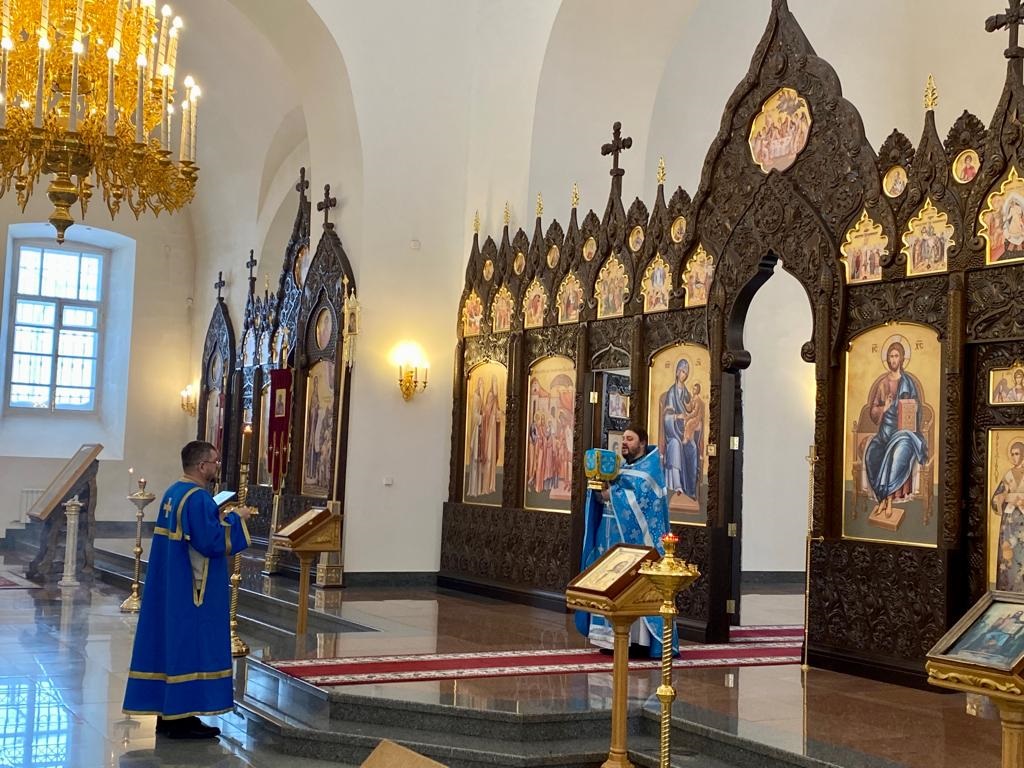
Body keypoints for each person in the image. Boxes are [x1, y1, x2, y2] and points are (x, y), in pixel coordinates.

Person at [123, 441, 252, 739]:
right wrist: (237, 519)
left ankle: (172, 715)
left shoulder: (174, 492)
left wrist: (217, 518)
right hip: (194, 591)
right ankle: (180, 718)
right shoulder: (198, 498)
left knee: (171, 644)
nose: (217, 466)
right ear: (201, 466)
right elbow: (211, 542)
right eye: (214, 462)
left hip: (172, 585)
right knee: (190, 647)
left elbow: (196, 532)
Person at [575, 425, 676, 658]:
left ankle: (638, 641)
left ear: (642, 443)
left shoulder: (649, 472)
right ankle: (607, 639)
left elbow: (642, 502)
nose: (624, 443)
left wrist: (613, 494)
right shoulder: (622, 469)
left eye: (630, 439)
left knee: (632, 585)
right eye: (623, 439)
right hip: (609, 540)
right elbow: (608, 496)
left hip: (637, 545)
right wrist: (598, 490)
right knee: (609, 583)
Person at [863, 340, 927, 520]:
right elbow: (873, 411)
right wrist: (884, 408)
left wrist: (911, 408)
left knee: (896, 454)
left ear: (902, 358)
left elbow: (917, 409)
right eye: (890, 356)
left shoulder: (908, 382)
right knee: (871, 453)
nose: (893, 359)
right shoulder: (883, 383)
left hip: (904, 431)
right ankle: (881, 498)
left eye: (896, 356)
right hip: (885, 431)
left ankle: (888, 500)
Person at [660, 359, 702, 503]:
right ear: (677, 371)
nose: (684, 374)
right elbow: (666, 417)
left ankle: (690, 489)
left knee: (693, 448)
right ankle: (677, 485)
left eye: (686, 372)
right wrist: (677, 416)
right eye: (682, 371)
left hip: (684, 431)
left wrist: (691, 421)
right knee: (676, 444)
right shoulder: (671, 393)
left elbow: (691, 410)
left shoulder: (687, 393)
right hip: (673, 432)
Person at [992, 441, 1024, 591]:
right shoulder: (1008, 475)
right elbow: (996, 498)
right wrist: (1000, 498)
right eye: (1012, 454)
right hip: (1009, 522)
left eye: (1017, 453)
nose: (1014, 457)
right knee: (1007, 554)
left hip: (1022, 520)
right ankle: (1007, 589)